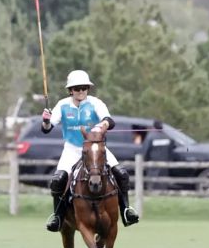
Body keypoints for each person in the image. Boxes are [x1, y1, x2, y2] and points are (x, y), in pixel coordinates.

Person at [41, 69, 139, 232]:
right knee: (58, 180)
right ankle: (58, 217)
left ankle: (126, 211)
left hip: (95, 148)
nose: (81, 91)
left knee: (121, 174)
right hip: (72, 149)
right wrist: (45, 121)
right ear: (70, 90)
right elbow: (47, 128)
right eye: (77, 88)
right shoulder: (63, 105)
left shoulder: (95, 103)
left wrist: (103, 125)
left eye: (84, 88)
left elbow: (109, 120)